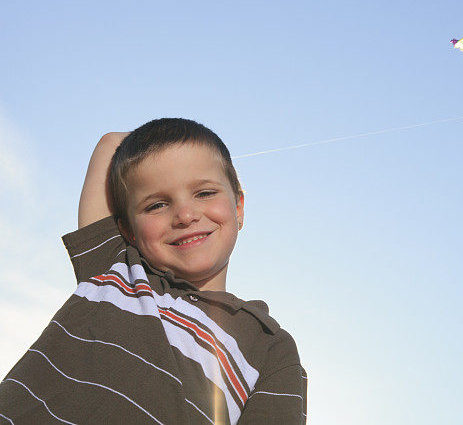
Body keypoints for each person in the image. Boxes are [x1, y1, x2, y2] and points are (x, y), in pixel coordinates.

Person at [0, 118, 307, 424]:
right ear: (128, 230)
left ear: (238, 206)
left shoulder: (270, 345)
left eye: (204, 193)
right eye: (156, 205)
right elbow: (110, 143)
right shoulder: (118, 269)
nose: (185, 215)